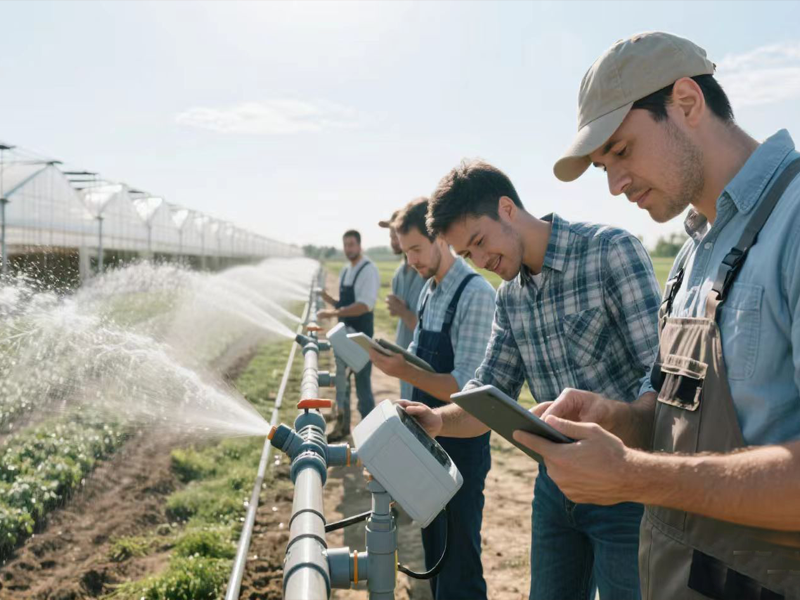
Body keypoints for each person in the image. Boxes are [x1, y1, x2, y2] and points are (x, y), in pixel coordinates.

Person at [511, 31, 800, 599]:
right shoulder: (691, 255)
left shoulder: (792, 224)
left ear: (687, 103)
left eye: (621, 151)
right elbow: (673, 420)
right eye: (603, 167)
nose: (616, 185)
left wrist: (632, 475)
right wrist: (618, 420)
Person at [403, 159, 662, 600]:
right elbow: (488, 394)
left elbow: (660, 376)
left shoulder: (610, 252)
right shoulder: (510, 300)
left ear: (507, 208)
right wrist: (438, 420)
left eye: (480, 242)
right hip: (556, 488)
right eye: (468, 255)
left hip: (625, 489)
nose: (482, 261)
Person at [369, 197, 496, 600]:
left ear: (440, 239)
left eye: (416, 250)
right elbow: (426, 365)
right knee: (435, 557)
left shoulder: (474, 294)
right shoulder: (430, 291)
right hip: (426, 441)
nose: (411, 261)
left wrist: (402, 370)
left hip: (460, 445)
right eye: (405, 252)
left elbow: (466, 388)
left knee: (458, 564)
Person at [318, 229, 380, 436]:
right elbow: (343, 304)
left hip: (360, 338)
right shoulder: (346, 270)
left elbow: (364, 305)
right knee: (341, 386)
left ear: (360, 246)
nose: (348, 249)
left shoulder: (368, 270)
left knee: (363, 388)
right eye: (345, 245)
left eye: (352, 245)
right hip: (343, 338)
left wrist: (333, 312)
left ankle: (371, 434)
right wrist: (326, 297)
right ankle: (342, 427)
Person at [378, 210, 425, 401]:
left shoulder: (425, 273)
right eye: (390, 234)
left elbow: (425, 329)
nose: (392, 238)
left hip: (421, 364)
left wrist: (402, 311)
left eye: (395, 233)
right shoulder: (399, 273)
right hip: (404, 354)